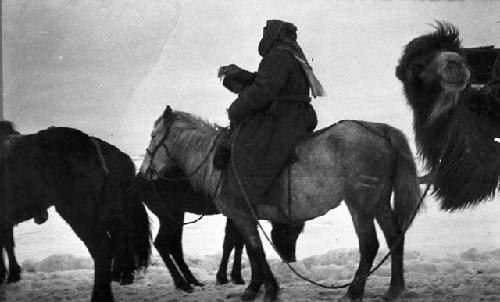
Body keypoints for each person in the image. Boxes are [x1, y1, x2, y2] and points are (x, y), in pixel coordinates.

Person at [219, 20, 323, 206]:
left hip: (285, 115)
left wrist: (237, 108)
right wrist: (240, 74)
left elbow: (264, 90)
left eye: (266, 32)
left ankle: (246, 200)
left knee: (248, 146)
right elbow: (268, 80)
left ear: (275, 34)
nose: (264, 36)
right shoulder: (292, 54)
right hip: (297, 114)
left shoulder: (278, 55)